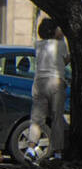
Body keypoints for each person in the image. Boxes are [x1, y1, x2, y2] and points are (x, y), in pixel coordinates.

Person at [29, 18, 69, 161]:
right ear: (54, 31)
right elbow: (66, 61)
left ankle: (31, 148)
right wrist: (62, 37)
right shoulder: (60, 45)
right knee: (57, 118)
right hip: (56, 81)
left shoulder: (38, 45)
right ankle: (57, 153)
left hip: (40, 82)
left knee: (36, 119)